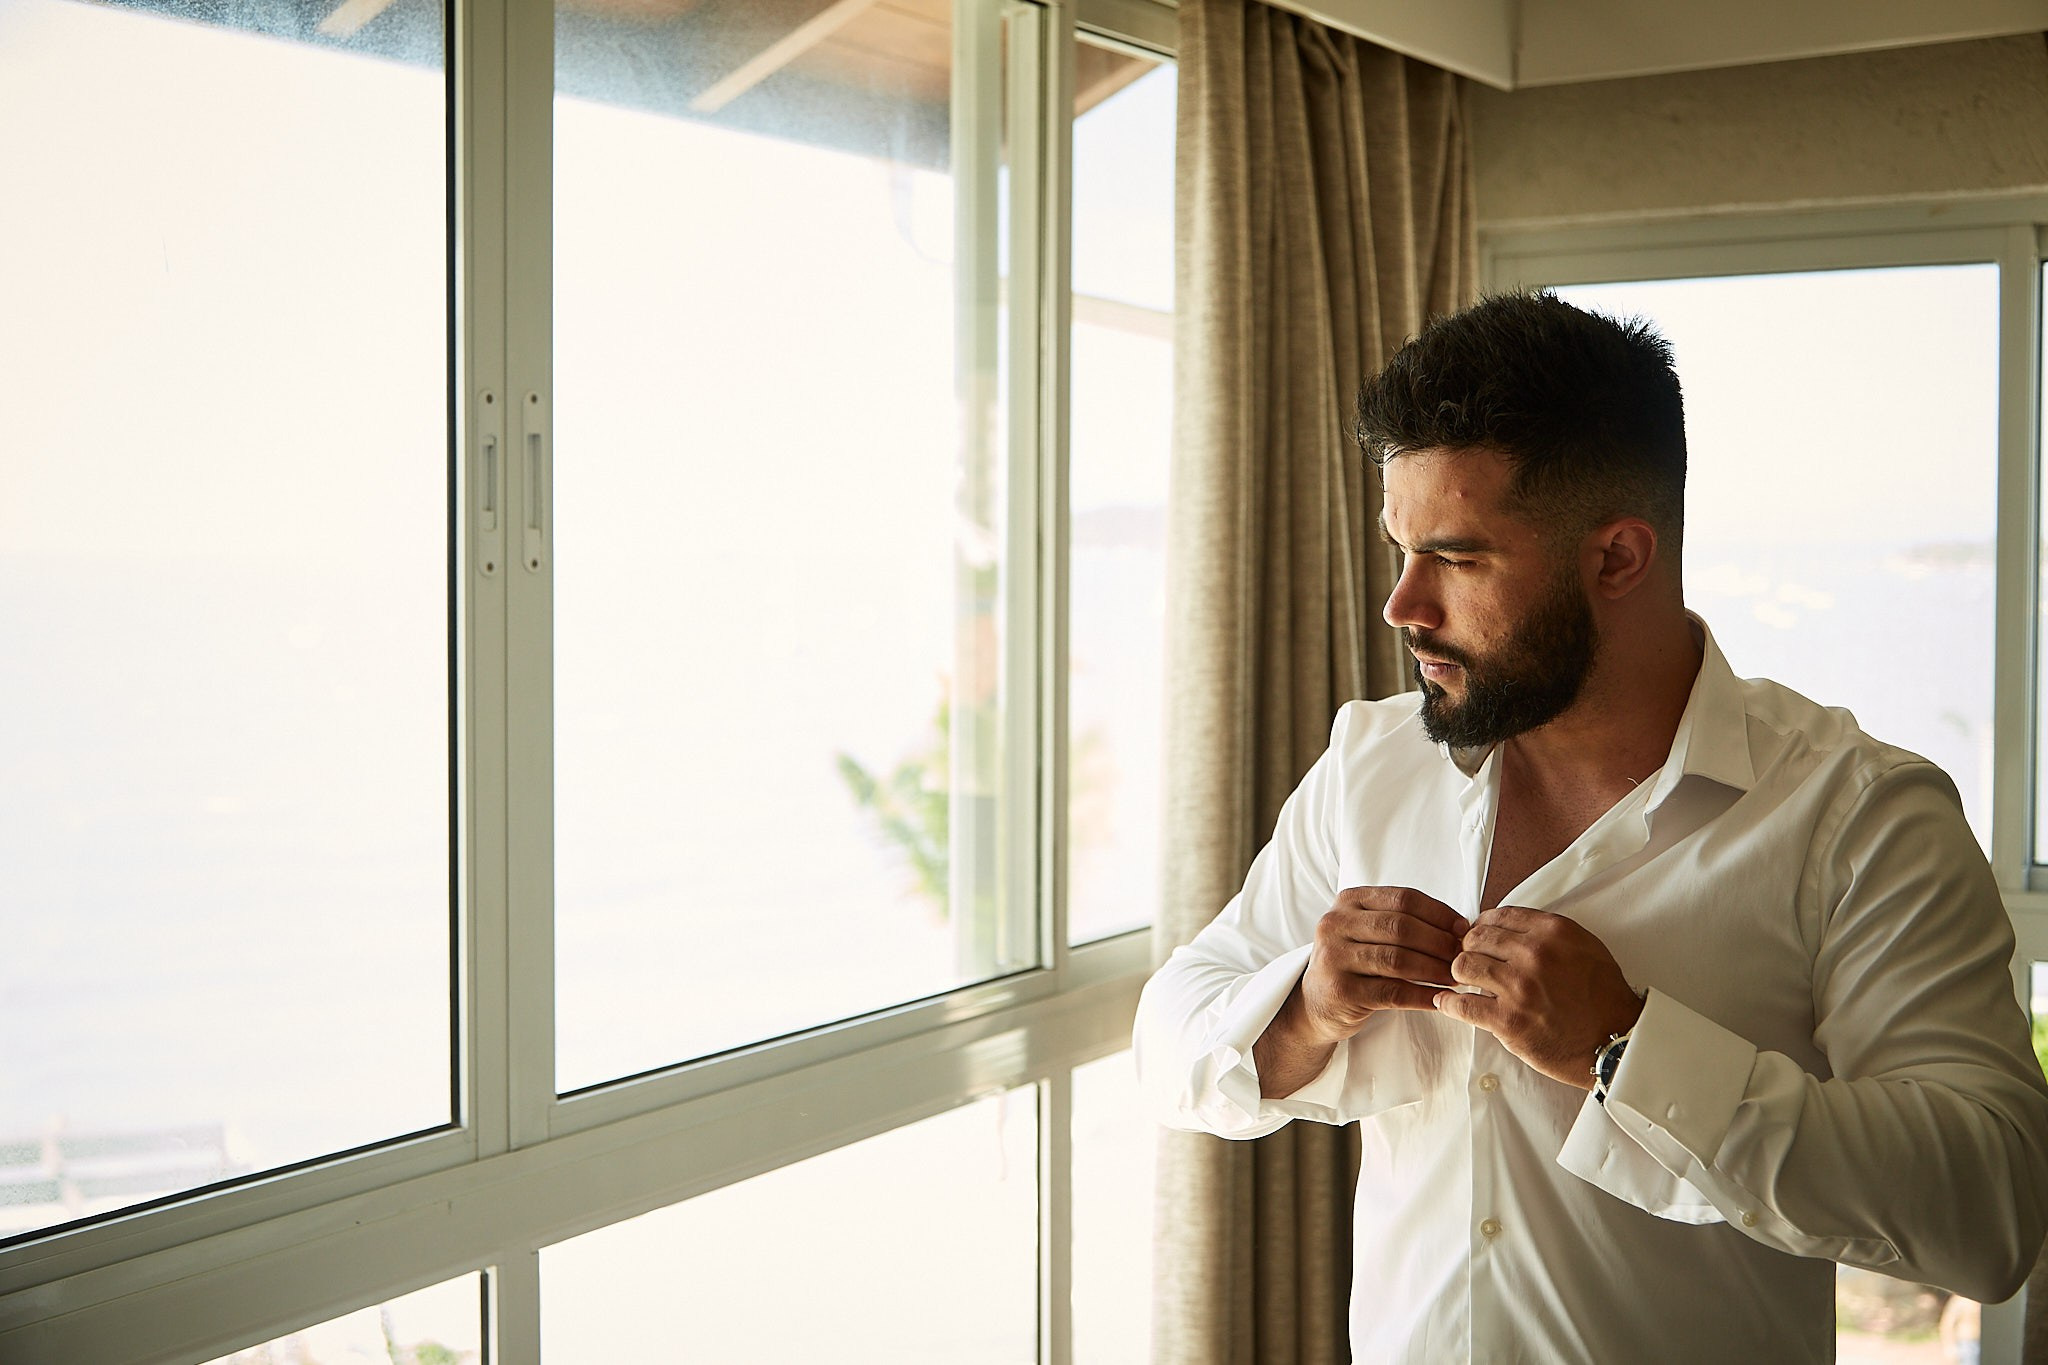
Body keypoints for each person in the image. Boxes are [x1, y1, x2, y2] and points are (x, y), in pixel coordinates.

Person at [1134, 291, 2048, 1363]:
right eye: (1398, 547)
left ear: (1617, 558)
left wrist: (1626, 1050)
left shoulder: (1855, 816)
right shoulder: (1369, 763)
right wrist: (1304, 1009)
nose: (1400, 605)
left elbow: (1991, 1208)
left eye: (1457, 558)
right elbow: (1168, 1041)